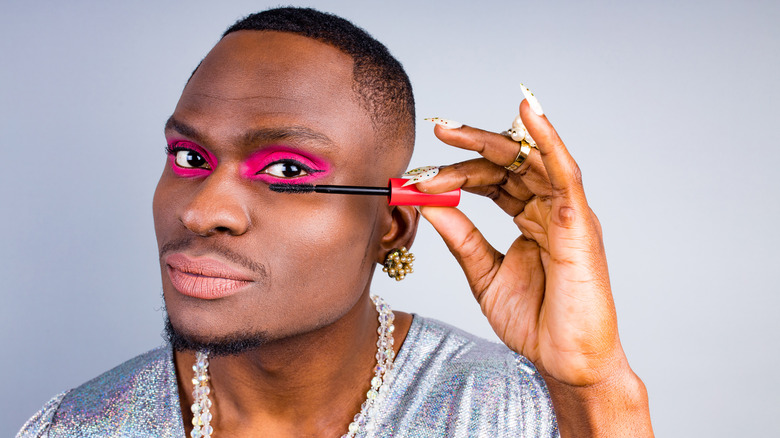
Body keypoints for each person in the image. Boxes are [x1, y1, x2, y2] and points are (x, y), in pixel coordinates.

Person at [17, 7, 653, 438]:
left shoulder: (506, 415)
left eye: (288, 171)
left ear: (393, 225)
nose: (201, 210)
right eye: (190, 157)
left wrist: (597, 385)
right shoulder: (74, 427)